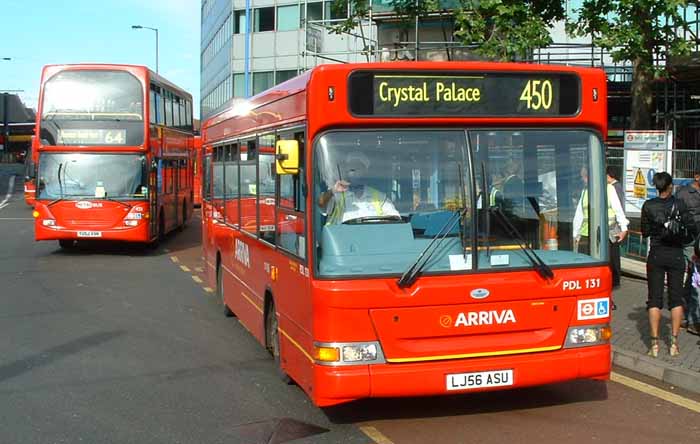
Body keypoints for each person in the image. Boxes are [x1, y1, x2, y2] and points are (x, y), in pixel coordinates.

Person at [641, 171, 696, 357]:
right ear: (670, 185)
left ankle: (654, 345)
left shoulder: (648, 206)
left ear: (656, 186)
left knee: (654, 299)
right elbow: (694, 229)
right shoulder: (680, 204)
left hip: (656, 254)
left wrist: (659, 227)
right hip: (676, 255)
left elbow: (645, 231)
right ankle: (673, 344)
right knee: (676, 298)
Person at [318, 151, 399, 225]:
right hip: (342, 239)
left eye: (357, 168)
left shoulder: (379, 197)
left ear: (365, 172)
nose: (353, 172)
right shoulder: (337, 194)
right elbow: (320, 203)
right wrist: (333, 190)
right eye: (351, 169)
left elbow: (395, 219)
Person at [573, 166, 629, 256]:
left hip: (604, 235)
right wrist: (576, 234)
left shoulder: (609, 188)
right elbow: (579, 215)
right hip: (590, 235)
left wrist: (575, 234)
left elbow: (579, 215)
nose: (583, 180)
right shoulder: (586, 191)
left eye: (584, 177)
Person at [675, 168, 700, 335]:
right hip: (690, 240)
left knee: (693, 279)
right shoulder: (683, 193)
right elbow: (675, 215)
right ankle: (692, 320)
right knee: (695, 280)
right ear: (697, 176)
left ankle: (688, 316)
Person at [606, 166, 628, 288]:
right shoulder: (616, 187)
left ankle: (615, 279)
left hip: (614, 227)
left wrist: (622, 226)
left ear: (609, 175)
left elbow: (618, 208)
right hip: (616, 226)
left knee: (613, 254)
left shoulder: (614, 188)